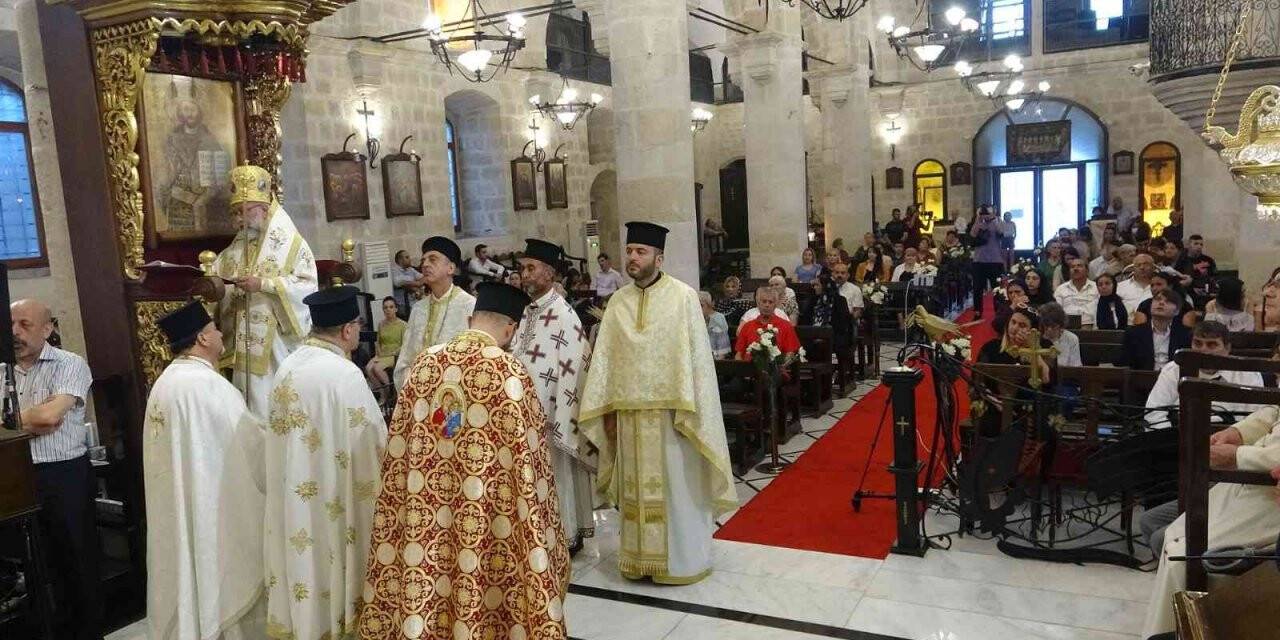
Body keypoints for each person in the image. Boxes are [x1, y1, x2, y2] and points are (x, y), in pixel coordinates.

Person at [359, 282, 570, 640]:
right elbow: (532, 467)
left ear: (471, 319)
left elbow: (398, 451)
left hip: (426, 514)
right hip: (490, 518)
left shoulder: (425, 364)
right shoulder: (511, 375)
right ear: (511, 330)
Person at [578, 221, 737, 584]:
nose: (633, 258)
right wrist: (605, 408)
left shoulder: (682, 297)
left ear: (659, 258)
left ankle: (681, 562)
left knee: (676, 488)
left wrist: (692, 405)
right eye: (630, 251)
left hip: (673, 416)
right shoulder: (618, 301)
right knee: (635, 492)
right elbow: (606, 359)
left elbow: (697, 360)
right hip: (630, 418)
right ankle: (638, 560)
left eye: (641, 252)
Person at [263, 285, 388, 640]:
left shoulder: (287, 365)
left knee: (305, 563)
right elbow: (372, 441)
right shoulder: (343, 374)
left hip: (295, 499)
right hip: (334, 498)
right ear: (348, 330)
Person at [143, 301, 266, 640]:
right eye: (214, 329)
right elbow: (251, 447)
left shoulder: (166, 383)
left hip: (176, 508)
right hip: (210, 511)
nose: (220, 333)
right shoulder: (207, 386)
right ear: (202, 338)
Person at [1141, 399, 1280, 638]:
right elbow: (1276, 408)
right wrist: (1238, 432)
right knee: (1173, 538)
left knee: (1183, 559)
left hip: (1269, 500)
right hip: (1247, 484)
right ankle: (1168, 631)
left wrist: (1239, 456)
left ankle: (1188, 629)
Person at [11, 299, 100, 640]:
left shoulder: (69, 364)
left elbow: (50, 417)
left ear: (47, 328)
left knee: (77, 561)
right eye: (12, 325)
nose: (15, 332)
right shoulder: (4, 370)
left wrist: (14, 421)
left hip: (64, 475)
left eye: (25, 324)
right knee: (38, 566)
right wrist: (31, 418)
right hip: (18, 477)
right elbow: (39, 419)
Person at [211, 164, 318, 417]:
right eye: (236, 213)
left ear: (265, 209)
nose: (239, 219)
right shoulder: (234, 249)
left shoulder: (291, 245)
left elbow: (307, 286)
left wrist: (264, 285)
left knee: (277, 405)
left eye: (246, 211)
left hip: (277, 343)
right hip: (241, 343)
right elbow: (217, 278)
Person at [512, 239, 594, 553]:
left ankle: (566, 534)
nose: (525, 275)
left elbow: (575, 365)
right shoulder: (525, 311)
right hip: (524, 414)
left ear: (548, 273)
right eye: (522, 269)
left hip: (553, 416)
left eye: (531, 268)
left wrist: (557, 408)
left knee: (557, 476)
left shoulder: (563, 314)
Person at [1142, 320, 1264, 430]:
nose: (1203, 350)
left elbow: (1254, 420)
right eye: (1198, 343)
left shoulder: (1247, 374)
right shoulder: (1174, 369)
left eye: (1212, 345)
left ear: (1227, 348)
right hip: (1178, 437)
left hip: (1229, 441)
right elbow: (1154, 412)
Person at [394, 236, 477, 389]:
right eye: (423, 260)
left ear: (450, 268)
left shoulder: (469, 305)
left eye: (433, 260)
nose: (425, 264)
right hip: (420, 392)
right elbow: (406, 357)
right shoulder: (418, 309)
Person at [1117, 288, 1191, 371]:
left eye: (1168, 301)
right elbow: (1124, 364)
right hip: (1142, 379)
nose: (1161, 303)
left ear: (1177, 311)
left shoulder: (1185, 334)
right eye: (1157, 299)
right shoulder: (1133, 333)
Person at [735, 286, 802, 360]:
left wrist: (779, 367)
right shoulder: (747, 326)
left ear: (775, 304)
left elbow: (790, 353)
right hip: (748, 369)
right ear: (758, 303)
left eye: (770, 302)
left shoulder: (786, 325)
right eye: (764, 301)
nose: (767, 305)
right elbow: (738, 355)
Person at [364, 297, 407, 396]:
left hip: (394, 355)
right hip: (381, 354)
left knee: (376, 368)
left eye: (391, 307)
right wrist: (378, 352)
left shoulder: (403, 325)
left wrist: (393, 352)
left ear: (396, 309)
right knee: (368, 368)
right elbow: (378, 341)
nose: (388, 310)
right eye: (385, 307)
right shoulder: (381, 324)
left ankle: (392, 392)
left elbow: (405, 344)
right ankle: (383, 393)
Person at [969, 205, 1005, 319]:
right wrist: (978, 218)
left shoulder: (998, 221)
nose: (986, 214)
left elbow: (1001, 231)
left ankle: (998, 311)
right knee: (977, 288)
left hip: (995, 260)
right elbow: (973, 234)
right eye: (984, 211)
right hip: (979, 260)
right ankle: (977, 312)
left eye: (988, 211)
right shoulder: (979, 221)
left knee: (996, 288)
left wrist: (993, 218)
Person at [800, 274, 854, 352]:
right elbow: (806, 319)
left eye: (817, 285)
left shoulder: (839, 300)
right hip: (812, 333)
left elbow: (842, 322)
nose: (814, 287)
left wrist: (824, 333)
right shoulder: (813, 300)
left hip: (832, 334)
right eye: (814, 285)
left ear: (825, 286)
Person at [1053, 257, 1100, 328]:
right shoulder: (1061, 289)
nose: (1075, 269)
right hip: (1067, 327)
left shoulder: (1097, 287)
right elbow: (1057, 311)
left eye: (1079, 266)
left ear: (1087, 270)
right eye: (1072, 267)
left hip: (1091, 327)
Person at [1038, 303, 1081, 367]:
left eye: (1053, 326)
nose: (1049, 329)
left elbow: (1075, 366)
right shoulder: (1036, 338)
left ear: (1061, 325)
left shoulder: (1071, 338)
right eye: (1046, 325)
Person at [1117, 252, 1157, 320]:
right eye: (1138, 265)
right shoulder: (1120, 287)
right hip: (1125, 325)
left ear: (1153, 267)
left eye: (1146, 264)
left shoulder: (1160, 287)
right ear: (1133, 268)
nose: (1142, 267)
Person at [389, 249, 424, 314]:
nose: (410, 259)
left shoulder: (410, 269)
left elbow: (424, 277)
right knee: (421, 312)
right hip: (402, 304)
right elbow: (398, 282)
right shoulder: (394, 270)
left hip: (414, 301)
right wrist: (417, 284)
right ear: (400, 260)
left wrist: (416, 286)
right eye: (407, 257)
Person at [700, 291, 733, 359]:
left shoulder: (718, 319)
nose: (698, 309)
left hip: (714, 359)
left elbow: (722, 351)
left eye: (701, 305)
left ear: (709, 305)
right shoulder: (692, 320)